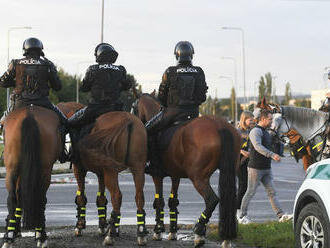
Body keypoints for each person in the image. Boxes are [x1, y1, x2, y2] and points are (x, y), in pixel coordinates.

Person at [144, 41, 208, 174]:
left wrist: (166, 105)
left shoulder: (170, 71)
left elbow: (161, 96)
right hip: (194, 113)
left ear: (176, 55)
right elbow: (203, 96)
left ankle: (154, 164)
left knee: (147, 130)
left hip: (173, 113)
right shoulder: (199, 71)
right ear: (191, 54)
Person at [0, 37, 68, 162]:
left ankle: (6, 150)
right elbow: (57, 86)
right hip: (43, 102)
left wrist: (14, 82)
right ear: (40, 50)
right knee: (64, 122)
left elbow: (3, 82)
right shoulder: (47, 64)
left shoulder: (15, 63)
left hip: (19, 102)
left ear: (25, 50)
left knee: (2, 122)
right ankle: (62, 151)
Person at [67, 43, 131, 161]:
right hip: (116, 108)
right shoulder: (120, 70)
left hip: (96, 108)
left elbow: (84, 87)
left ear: (99, 55)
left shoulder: (93, 69)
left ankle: (74, 154)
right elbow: (127, 85)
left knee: (69, 123)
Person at [237, 109, 292, 224]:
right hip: (255, 168)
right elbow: (257, 147)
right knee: (250, 192)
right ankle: (242, 216)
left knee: (272, 192)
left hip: (266, 168)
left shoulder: (266, 131)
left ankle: (280, 215)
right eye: (270, 119)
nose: (271, 122)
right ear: (262, 119)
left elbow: (270, 144)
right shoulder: (255, 131)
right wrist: (272, 155)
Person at [236, 111, 254, 213]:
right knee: (243, 185)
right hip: (238, 161)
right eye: (250, 119)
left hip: (247, 161)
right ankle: (237, 209)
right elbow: (230, 145)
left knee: (246, 186)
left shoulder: (250, 131)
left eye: (252, 119)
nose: (252, 121)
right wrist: (241, 151)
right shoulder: (237, 131)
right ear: (244, 120)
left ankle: (241, 208)